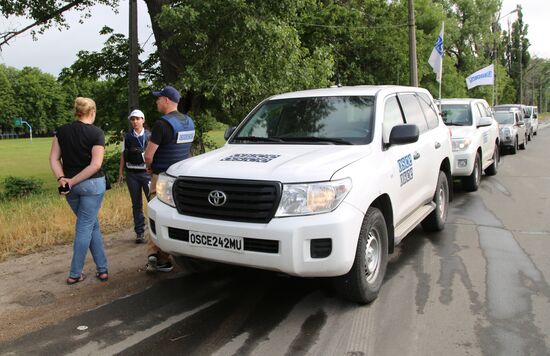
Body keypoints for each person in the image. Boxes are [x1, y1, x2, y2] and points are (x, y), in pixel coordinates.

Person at [49, 97, 109, 284]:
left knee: (91, 225)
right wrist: (72, 181)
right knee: (85, 226)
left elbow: (53, 159)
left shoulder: (62, 131)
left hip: (71, 188)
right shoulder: (96, 133)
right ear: (92, 112)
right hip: (91, 185)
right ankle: (75, 273)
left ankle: (103, 269)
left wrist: (63, 180)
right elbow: (96, 164)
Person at [144, 85, 195, 273]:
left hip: (162, 178)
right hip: (181, 179)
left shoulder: (162, 124)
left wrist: (148, 166)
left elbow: (149, 155)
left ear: (166, 100)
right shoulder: (189, 122)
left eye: (158, 99)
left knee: (157, 215)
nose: (156, 102)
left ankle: (160, 258)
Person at [118, 109, 151, 244]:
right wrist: (120, 173)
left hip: (146, 174)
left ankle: (156, 231)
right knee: (136, 204)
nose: (135, 122)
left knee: (153, 202)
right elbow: (123, 155)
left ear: (143, 120)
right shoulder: (127, 137)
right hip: (132, 174)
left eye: (138, 119)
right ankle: (140, 232)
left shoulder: (150, 136)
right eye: (132, 119)